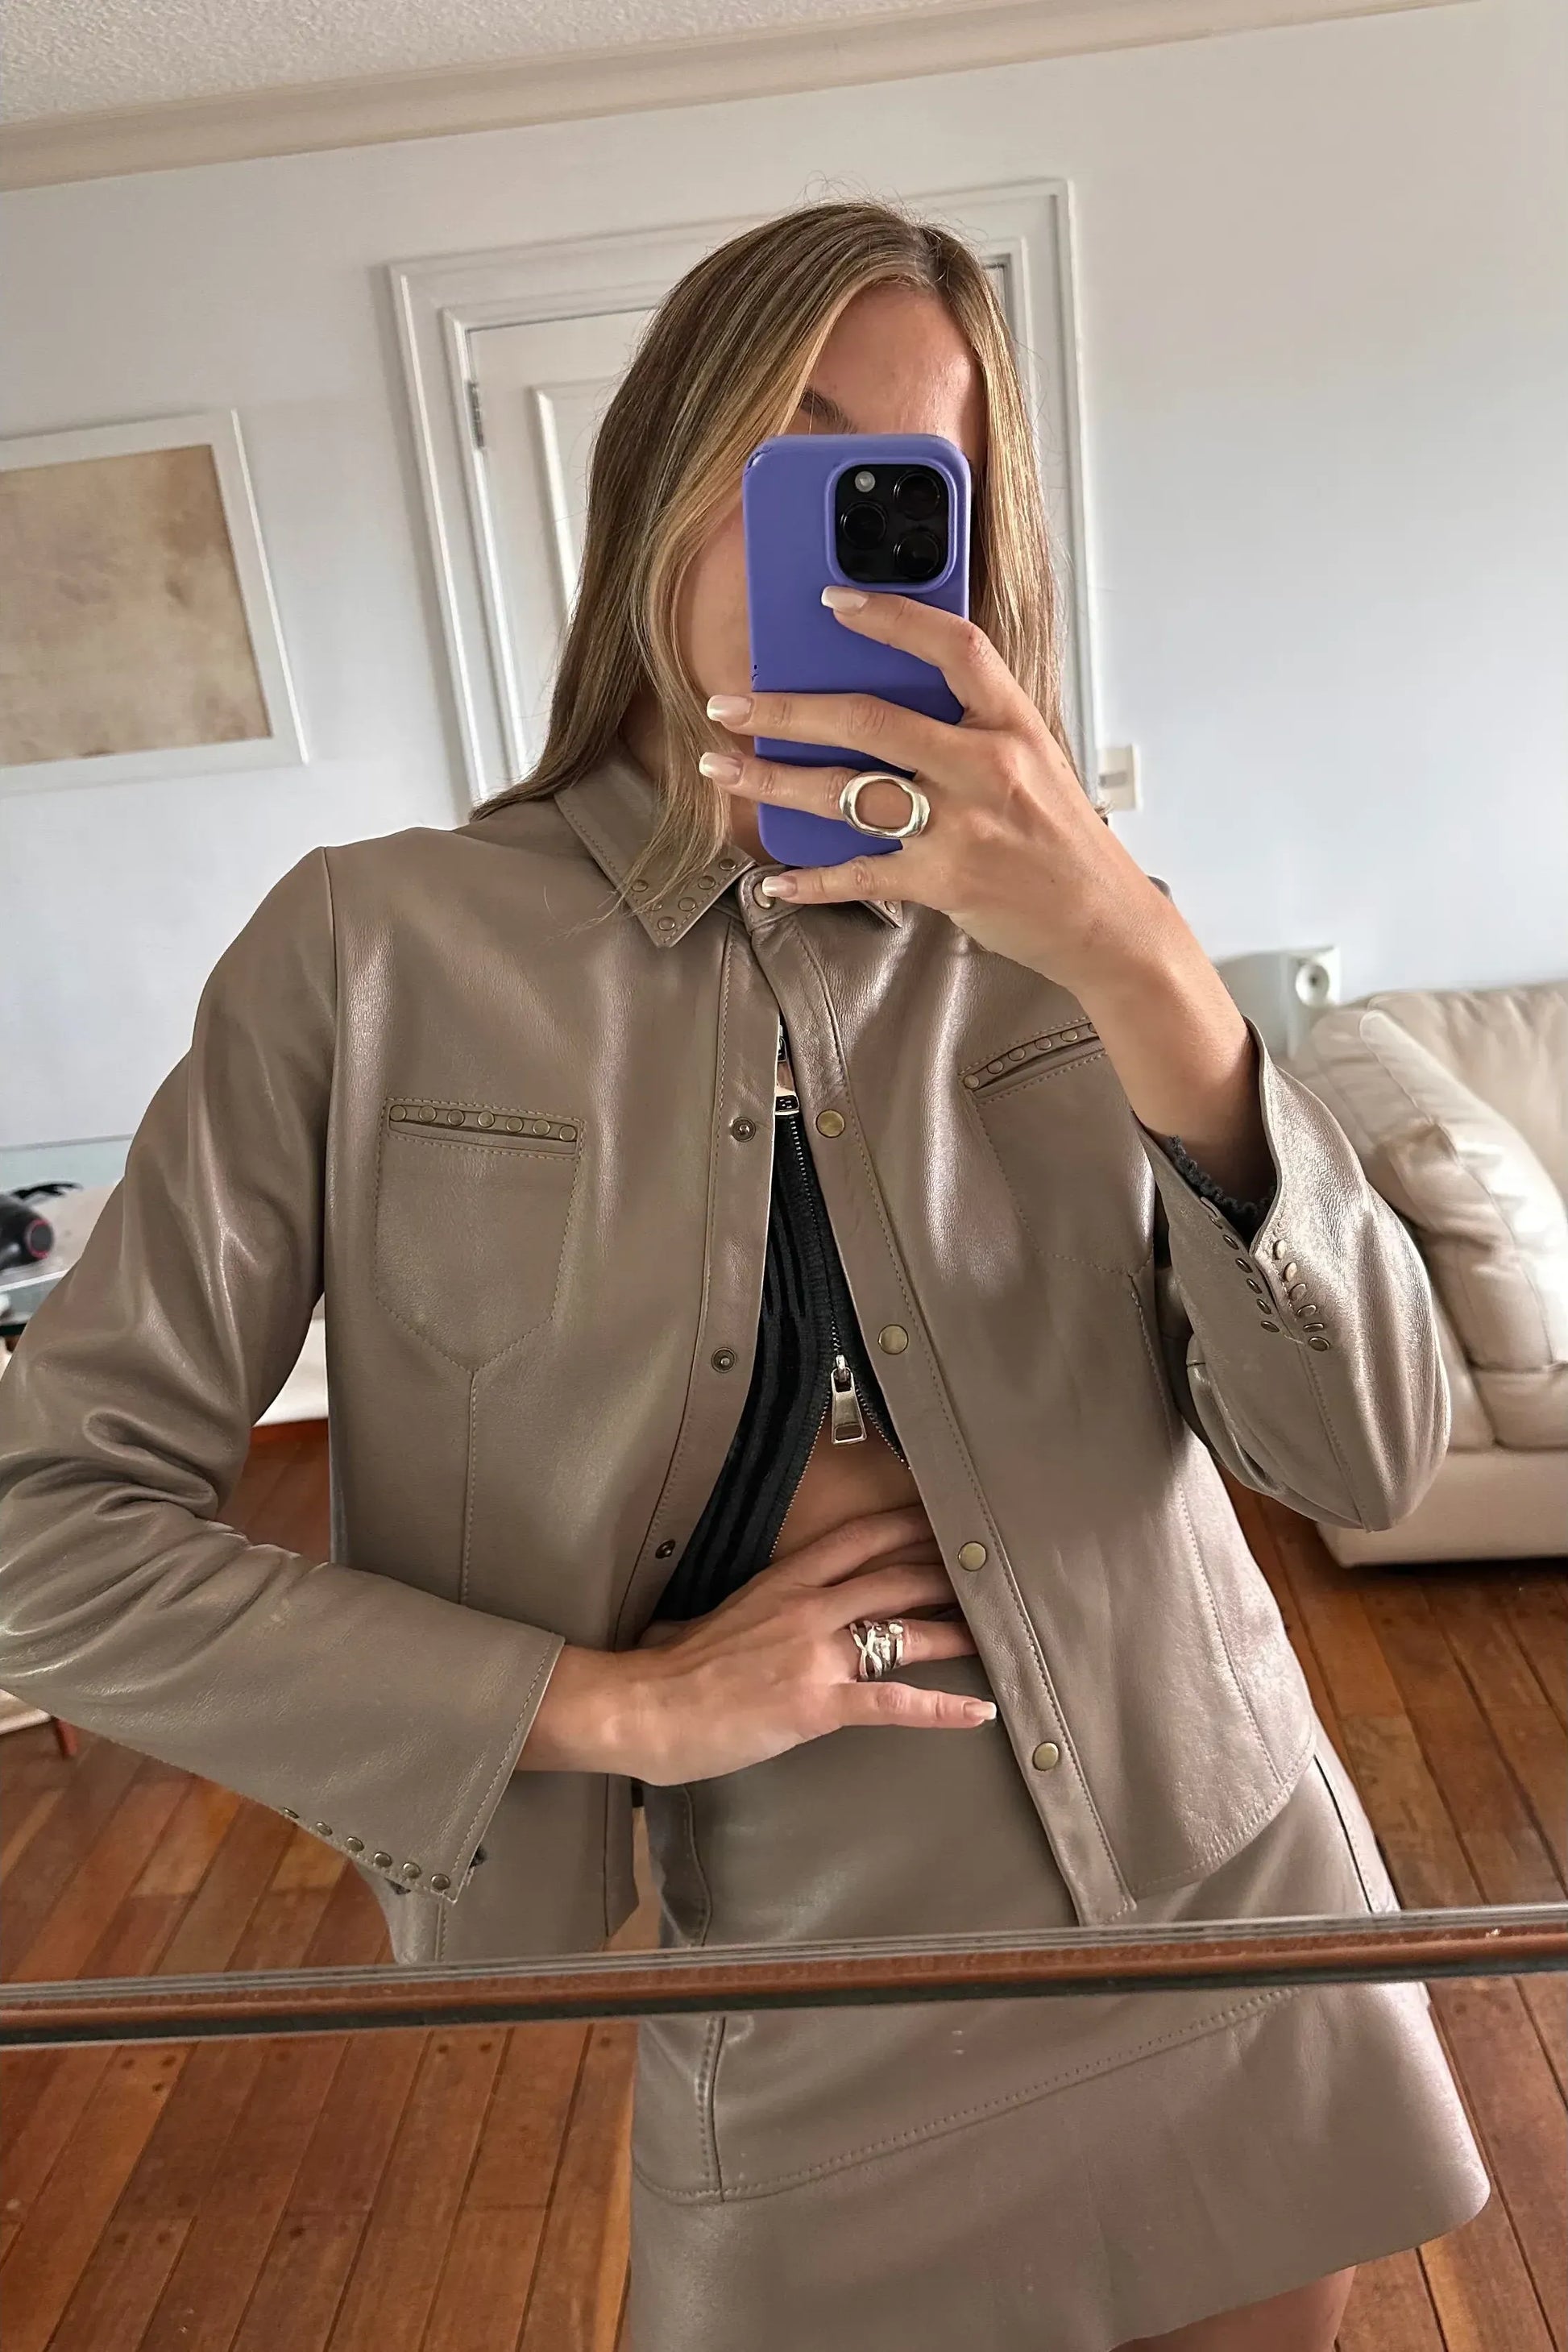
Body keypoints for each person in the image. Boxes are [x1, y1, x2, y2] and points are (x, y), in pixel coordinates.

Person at [0, 199, 1487, 2350]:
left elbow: (1365, 1460)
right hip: (804, 1996)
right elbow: (46, 1542)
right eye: (800, 450)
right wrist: (611, 1708)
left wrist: (1147, 968)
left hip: (1228, 1904)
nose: (853, 534)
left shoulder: (1082, 934)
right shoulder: (372, 952)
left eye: (911, 483)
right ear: (663, 471)